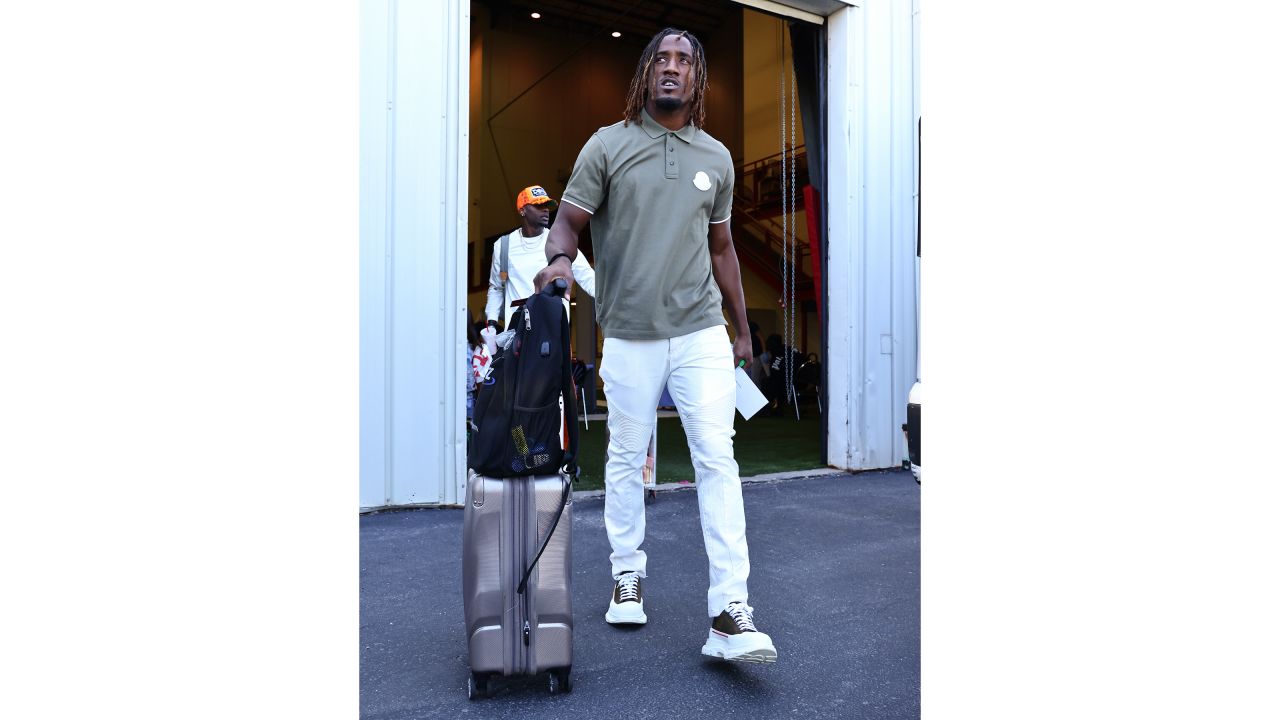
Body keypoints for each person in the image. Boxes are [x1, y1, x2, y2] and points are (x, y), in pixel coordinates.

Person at [532, 28, 777, 664]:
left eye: (684, 61)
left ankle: (729, 610)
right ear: (645, 74)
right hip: (630, 335)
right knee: (624, 456)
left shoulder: (716, 158)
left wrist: (743, 328)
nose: (672, 69)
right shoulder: (607, 146)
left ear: (697, 79)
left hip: (700, 332)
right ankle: (626, 574)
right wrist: (559, 260)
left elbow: (722, 249)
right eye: (661, 60)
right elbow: (567, 222)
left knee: (716, 461)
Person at [483, 185, 596, 342]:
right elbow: (496, 287)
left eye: (547, 206)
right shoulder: (503, 245)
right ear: (522, 211)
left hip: (553, 332)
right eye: (538, 206)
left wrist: (611, 301)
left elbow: (587, 275)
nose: (545, 210)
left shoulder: (559, 242)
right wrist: (492, 324)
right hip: (516, 336)